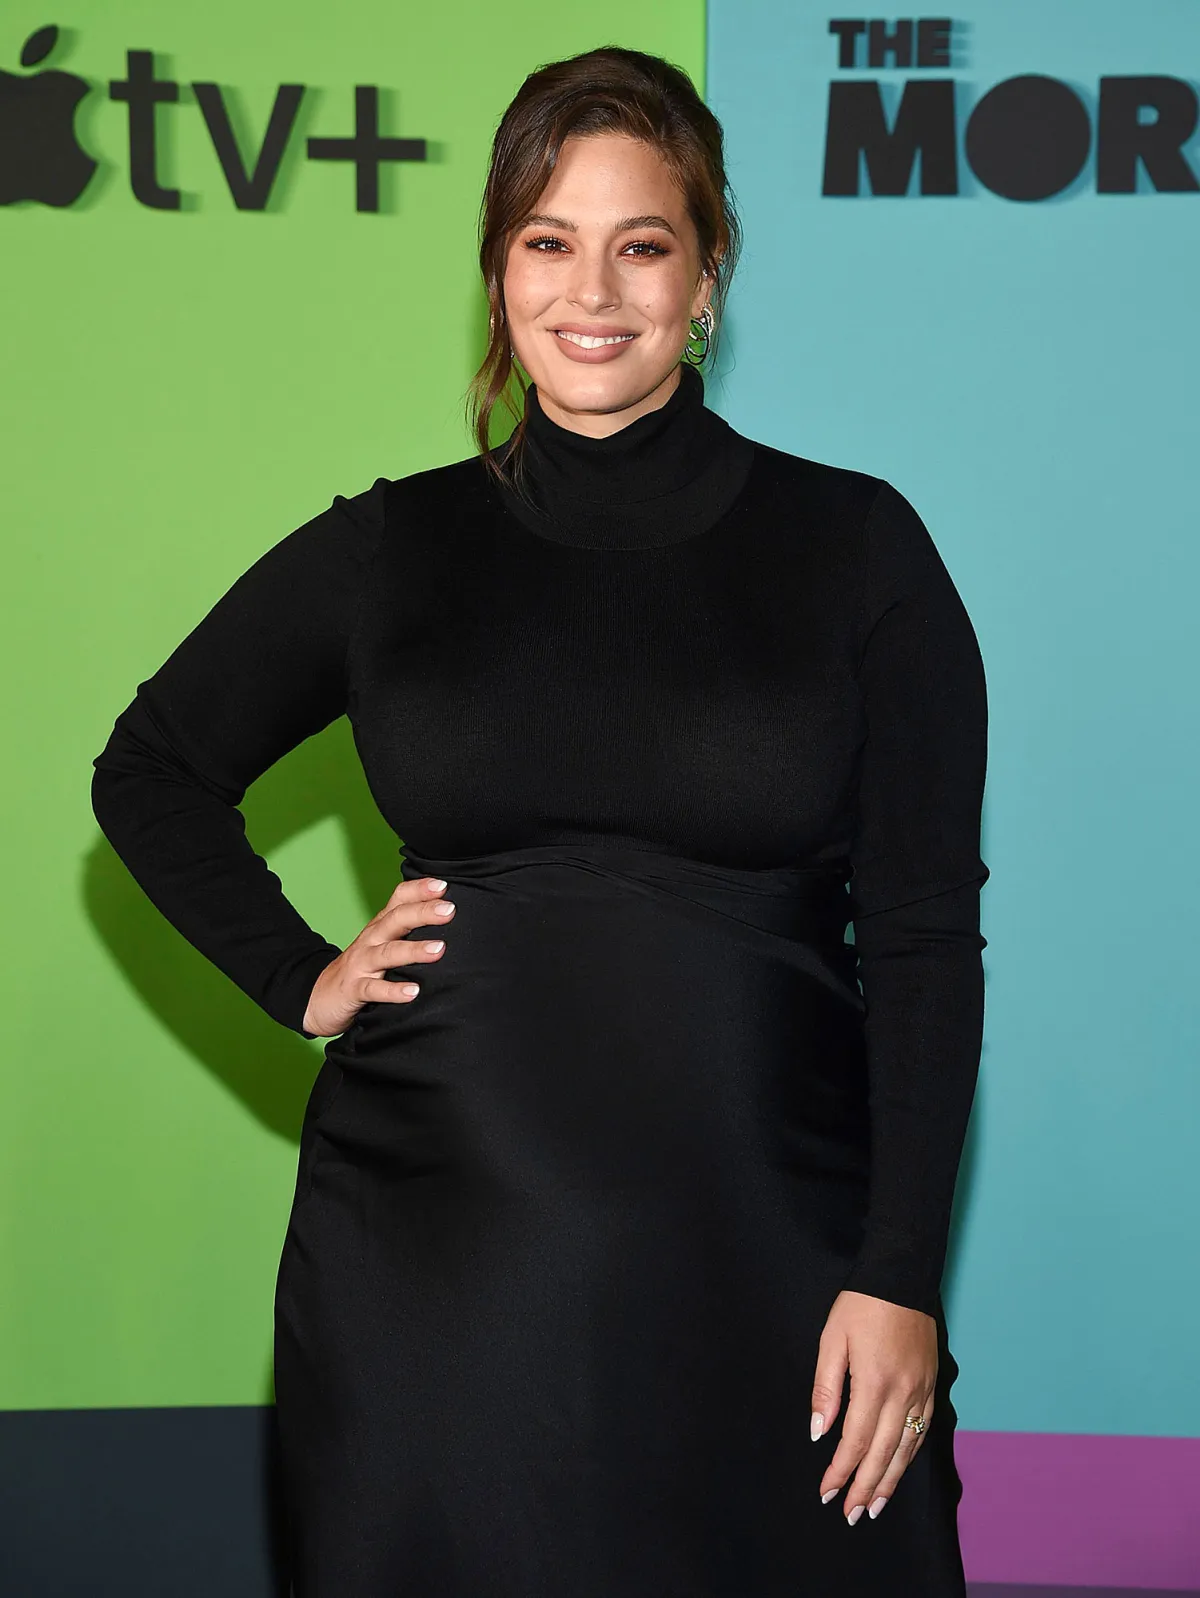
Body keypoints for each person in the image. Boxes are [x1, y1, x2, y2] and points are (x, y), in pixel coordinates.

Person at [91, 44, 988, 1598]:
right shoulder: (394, 551)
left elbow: (921, 940)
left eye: (642, 244)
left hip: (775, 1258)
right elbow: (151, 768)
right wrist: (298, 973)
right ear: (498, 272)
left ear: (706, 277)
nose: (593, 290)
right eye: (547, 241)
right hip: (432, 1275)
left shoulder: (859, 550)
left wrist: (899, 1274)